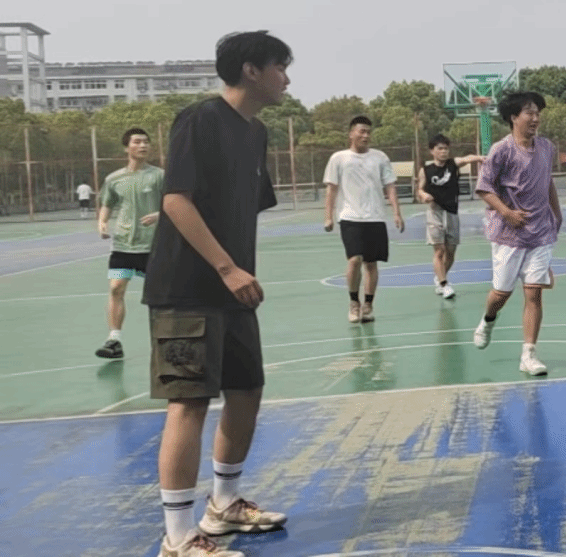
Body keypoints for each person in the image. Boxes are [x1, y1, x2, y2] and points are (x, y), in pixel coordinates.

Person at [141, 31, 292, 557]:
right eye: (280, 67)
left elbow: (239, 204)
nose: (287, 78)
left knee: (247, 391)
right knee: (189, 402)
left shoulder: (256, 132)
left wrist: (236, 270)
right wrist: (227, 267)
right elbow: (176, 198)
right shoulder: (200, 119)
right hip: (187, 289)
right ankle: (179, 536)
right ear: (251, 70)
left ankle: (223, 504)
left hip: (234, 290)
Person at [472, 92, 562, 377]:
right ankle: (488, 319)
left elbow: (547, 181)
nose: (535, 118)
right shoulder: (501, 150)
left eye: (537, 113)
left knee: (534, 292)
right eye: (529, 113)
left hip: (540, 231)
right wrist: (507, 213)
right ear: (514, 117)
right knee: (501, 294)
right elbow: (484, 188)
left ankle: (529, 354)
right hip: (509, 234)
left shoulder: (546, 147)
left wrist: (557, 213)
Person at [324, 116, 405, 323]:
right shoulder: (338, 158)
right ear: (351, 133)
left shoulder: (380, 157)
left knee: (371, 263)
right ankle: (354, 302)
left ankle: (368, 305)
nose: (366, 135)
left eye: (368, 132)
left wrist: (396, 212)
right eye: (361, 131)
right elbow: (331, 189)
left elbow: (390, 186)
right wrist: (328, 216)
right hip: (350, 217)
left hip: (375, 217)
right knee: (354, 259)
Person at [95, 127, 164, 359]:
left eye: (146, 142)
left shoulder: (159, 176)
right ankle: (114, 340)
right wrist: (102, 222)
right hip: (123, 246)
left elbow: (175, 203)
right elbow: (107, 203)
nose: (143, 145)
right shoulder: (114, 179)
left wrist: (159, 215)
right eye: (137, 142)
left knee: (158, 295)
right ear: (127, 147)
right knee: (116, 289)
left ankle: (163, 339)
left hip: (153, 246)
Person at [415, 134, 485, 298]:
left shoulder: (453, 164)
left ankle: (439, 278)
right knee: (439, 251)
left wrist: (481, 158)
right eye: (440, 148)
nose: (444, 152)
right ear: (432, 151)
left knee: (451, 253)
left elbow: (467, 158)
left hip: (452, 213)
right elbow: (419, 190)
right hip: (435, 213)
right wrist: (423, 195)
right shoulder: (426, 170)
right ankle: (444, 284)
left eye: (446, 148)